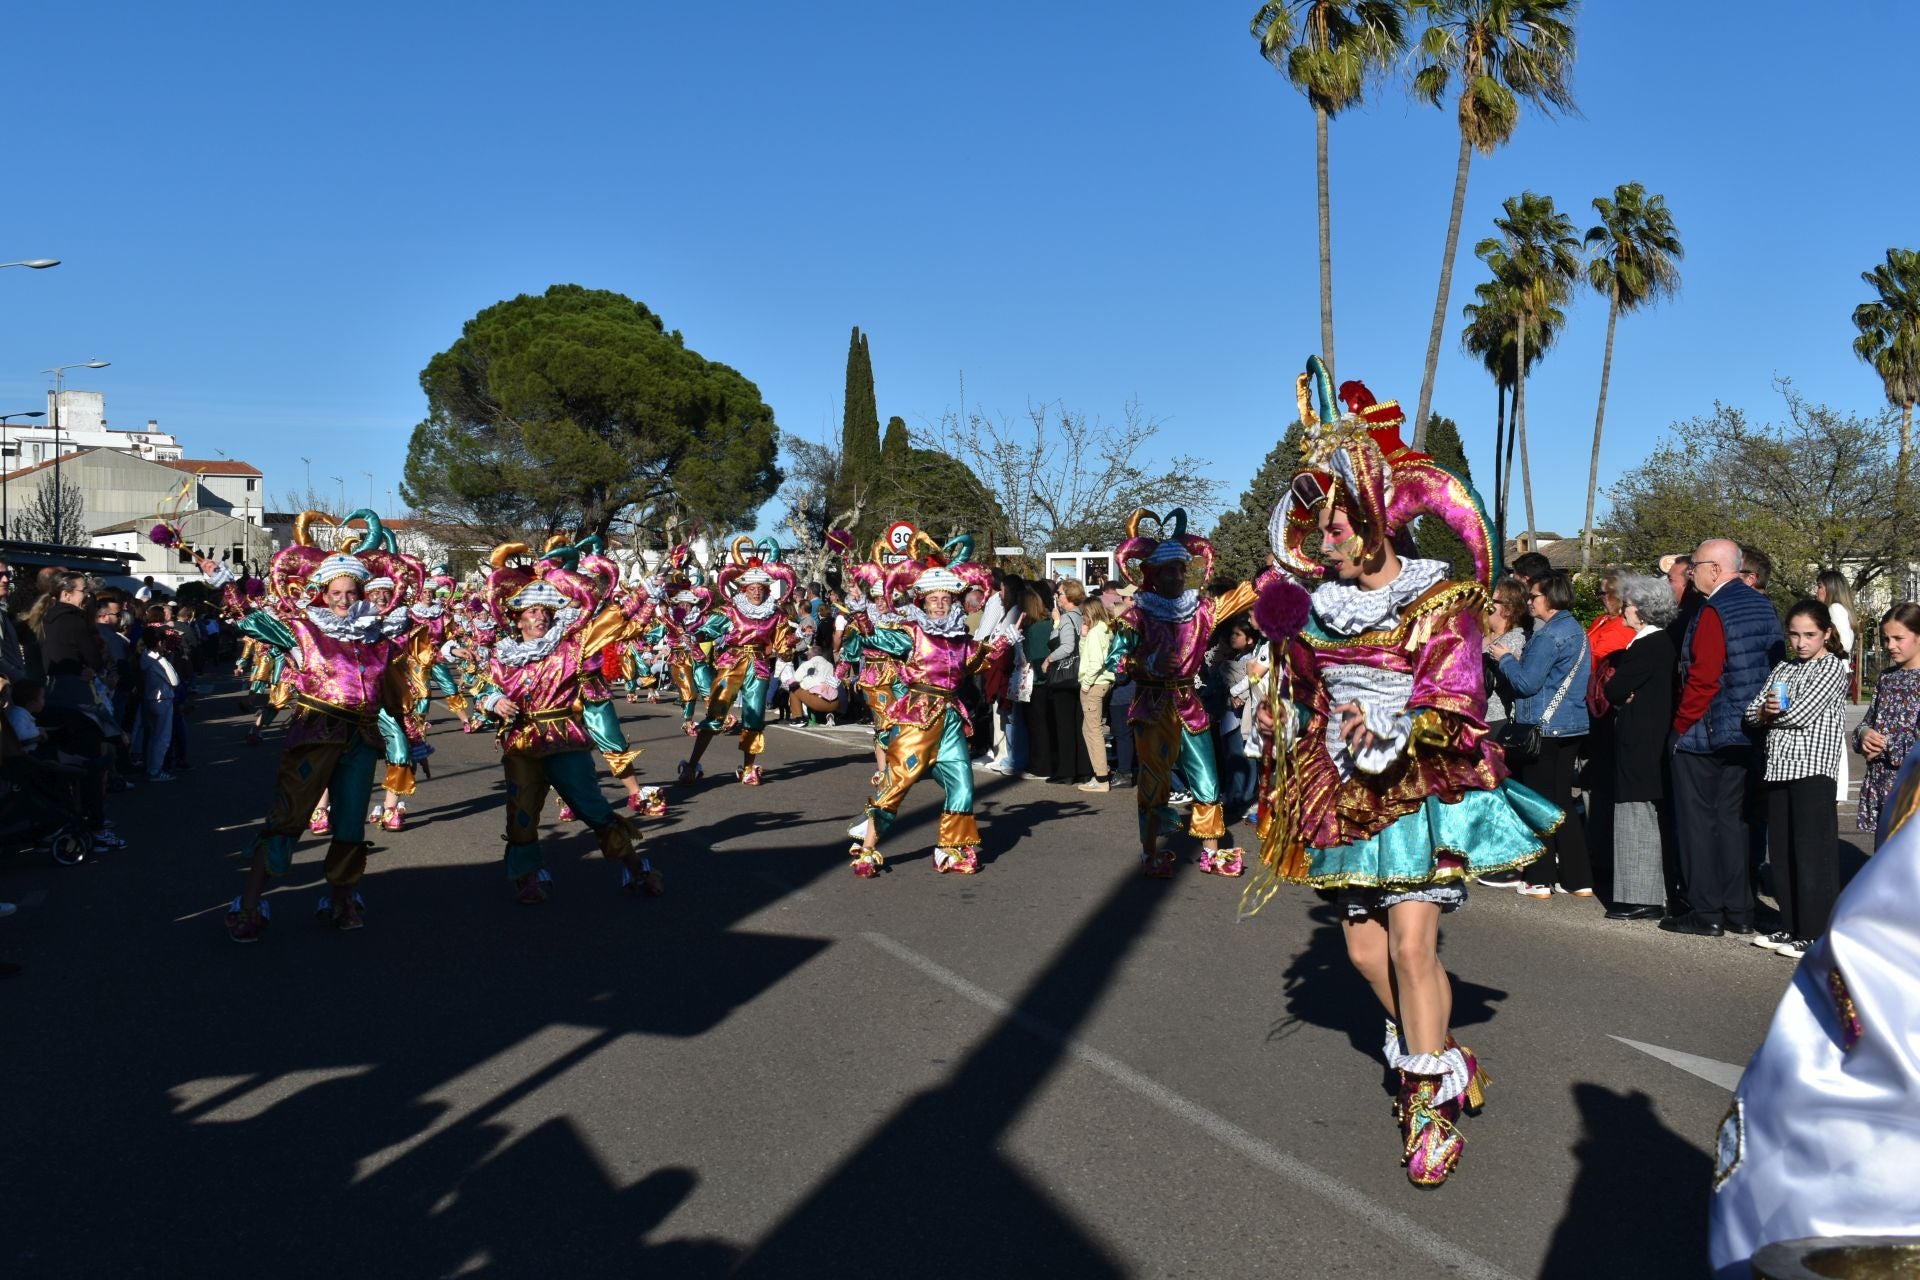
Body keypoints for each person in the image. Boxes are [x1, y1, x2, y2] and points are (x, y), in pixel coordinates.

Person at [1251, 361, 1555, 1188]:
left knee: (1415, 946)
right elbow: (1309, 694)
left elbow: (1455, 695)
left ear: (1378, 519)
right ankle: (1445, 1052)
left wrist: (1386, 727)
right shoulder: (1317, 612)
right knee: (1360, 954)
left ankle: (1429, 1108)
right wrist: (1280, 711)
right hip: (1343, 791)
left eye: (1339, 525)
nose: (1326, 542)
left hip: (1414, 780)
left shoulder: (1438, 601)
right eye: (1318, 532)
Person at [197, 527, 414, 941]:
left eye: (352, 593)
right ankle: (250, 901)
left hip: (361, 740)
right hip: (316, 732)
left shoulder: (378, 641)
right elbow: (252, 619)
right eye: (336, 593)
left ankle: (341, 899)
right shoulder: (303, 632)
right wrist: (223, 580)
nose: (344, 600)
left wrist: (407, 739)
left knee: (351, 824)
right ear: (321, 595)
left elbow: (390, 696)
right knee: (288, 817)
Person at [471, 542, 659, 904]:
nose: (541, 616)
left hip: (563, 740)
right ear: (517, 617)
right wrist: (493, 700)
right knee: (521, 816)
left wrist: (646, 595)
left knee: (594, 808)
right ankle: (526, 878)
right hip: (521, 745)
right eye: (532, 611)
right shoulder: (502, 657)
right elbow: (480, 689)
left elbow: (617, 622)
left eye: (546, 610)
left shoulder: (571, 647)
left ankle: (637, 867)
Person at [1108, 507, 1268, 879]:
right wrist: (1144, 664)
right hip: (1151, 705)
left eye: (1181, 569)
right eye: (1169, 570)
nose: (1178, 576)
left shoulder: (1203, 610)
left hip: (1189, 704)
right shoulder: (1137, 615)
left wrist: (1281, 560)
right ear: (1153, 574)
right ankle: (1151, 851)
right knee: (1154, 781)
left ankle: (1212, 852)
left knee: (1207, 779)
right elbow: (1117, 661)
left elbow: (1251, 591)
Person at [845, 561, 1001, 877]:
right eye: (933, 599)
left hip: (951, 719)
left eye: (946, 599)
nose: (940, 604)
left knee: (963, 785)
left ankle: (949, 850)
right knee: (897, 783)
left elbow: (974, 663)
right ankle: (867, 849)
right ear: (922, 602)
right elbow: (874, 637)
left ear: (954, 602)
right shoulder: (912, 633)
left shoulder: (960, 638)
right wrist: (861, 610)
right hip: (918, 716)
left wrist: (1000, 644)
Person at [1663, 538, 1784, 938]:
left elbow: (1703, 677)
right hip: (1750, 729)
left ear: (1714, 569)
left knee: (1698, 822)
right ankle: (1740, 909)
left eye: (1695, 564)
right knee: (1736, 822)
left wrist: (1680, 727)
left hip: (1708, 730)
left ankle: (1706, 910)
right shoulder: (1762, 604)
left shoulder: (1715, 609)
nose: (1691, 571)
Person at [1743, 600, 1848, 959]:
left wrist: (1770, 712)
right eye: (1795, 634)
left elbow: (1801, 714)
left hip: (1813, 770)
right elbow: (1751, 713)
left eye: (1810, 635)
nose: (1801, 642)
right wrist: (1765, 711)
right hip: (1778, 768)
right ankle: (1790, 924)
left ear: (1827, 634)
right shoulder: (1784, 667)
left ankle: (1816, 932)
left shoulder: (1832, 668)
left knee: (1812, 854)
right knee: (1784, 852)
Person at [1490, 569, 1592, 897]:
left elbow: (1526, 683)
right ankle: (1578, 879)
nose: (1530, 602)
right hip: (1571, 724)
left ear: (1548, 598)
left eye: (1534, 596)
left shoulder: (1548, 635)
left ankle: (1539, 877)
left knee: (1538, 803)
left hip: (1542, 728)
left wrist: (1505, 659)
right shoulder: (1575, 630)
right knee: (1561, 799)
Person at [680, 538, 800, 787]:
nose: (757, 590)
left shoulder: (776, 614)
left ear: (767, 589)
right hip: (731, 663)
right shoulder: (731, 610)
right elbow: (703, 630)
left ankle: (748, 768)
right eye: (752, 586)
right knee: (715, 716)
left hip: (758, 667)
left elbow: (783, 649)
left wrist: (795, 639)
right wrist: (689, 631)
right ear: (743, 588)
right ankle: (692, 765)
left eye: (761, 586)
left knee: (754, 719)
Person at [1602, 575, 1679, 920]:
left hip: (1641, 744)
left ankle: (1640, 897)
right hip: (1649, 741)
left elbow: (1616, 690)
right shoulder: (1659, 643)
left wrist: (1622, 694)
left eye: (1630, 606)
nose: (1626, 611)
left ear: (1644, 611)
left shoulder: (1648, 644)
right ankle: (1649, 894)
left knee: (1637, 817)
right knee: (1643, 815)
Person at [1853, 602, 1920, 843]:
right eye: (1886, 638)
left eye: (1898, 638)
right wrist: (1864, 735)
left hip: (1912, 791)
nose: (1890, 645)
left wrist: (1883, 745)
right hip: (1883, 785)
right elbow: (1864, 724)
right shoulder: (1887, 678)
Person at [1043, 579, 1091, 784]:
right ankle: (1083, 768)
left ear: (1069, 596)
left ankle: (1066, 771)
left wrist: (1049, 659)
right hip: (1080, 675)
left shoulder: (1067, 619)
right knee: (1079, 724)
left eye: (1060, 593)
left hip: (1065, 677)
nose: (1057, 597)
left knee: (1064, 725)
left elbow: (1067, 646)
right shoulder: (1082, 616)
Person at [1076, 594, 1116, 793]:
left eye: (1084, 613)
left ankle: (1101, 778)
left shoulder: (1096, 632)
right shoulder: (1104, 629)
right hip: (1103, 682)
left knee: (1093, 731)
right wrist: (1083, 637)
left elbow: (1094, 662)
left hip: (1094, 684)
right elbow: (1087, 653)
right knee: (1090, 729)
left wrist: (1086, 683)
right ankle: (1100, 773)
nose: (1082, 617)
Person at [1481, 575, 1531, 724]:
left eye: (1492, 601)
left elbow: (1490, 681)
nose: (1486, 605)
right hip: (1472, 717)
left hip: (1495, 720)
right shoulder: (1481, 634)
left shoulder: (1515, 639)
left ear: (1508, 610)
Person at [1018, 582, 1055, 781]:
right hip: (1050, 682)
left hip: (1037, 682)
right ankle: (1046, 763)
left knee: (1037, 726)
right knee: (1048, 725)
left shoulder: (1034, 629)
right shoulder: (1048, 623)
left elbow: (1035, 657)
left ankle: (1040, 766)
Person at [137, 627, 180, 782]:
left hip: (149, 698)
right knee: (162, 737)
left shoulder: (143, 656)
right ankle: (155, 770)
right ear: (160, 642)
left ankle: (150, 767)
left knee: (153, 736)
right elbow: (175, 680)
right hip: (163, 699)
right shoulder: (159, 660)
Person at [788, 646, 842, 723]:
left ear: (811, 655)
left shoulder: (806, 664)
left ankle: (798, 718)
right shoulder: (830, 665)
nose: (807, 657)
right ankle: (829, 714)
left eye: (807, 655)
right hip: (835, 703)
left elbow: (792, 682)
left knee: (794, 689)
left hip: (818, 702)